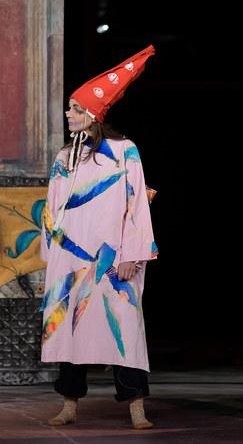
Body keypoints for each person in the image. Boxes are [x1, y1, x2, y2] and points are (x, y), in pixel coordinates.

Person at [40, 45, 158, 430]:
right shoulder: (65, 158)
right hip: (72, 259)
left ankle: (137, 409)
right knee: (70, 330)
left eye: (75, 109)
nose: (68, 114)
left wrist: (133, 253)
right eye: (69, 108)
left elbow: (137, 204)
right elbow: (52, 208)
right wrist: (53, 257)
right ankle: (69, 405)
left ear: (92, 114)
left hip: (113, 259)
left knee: (124, 330)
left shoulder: (124, 151)